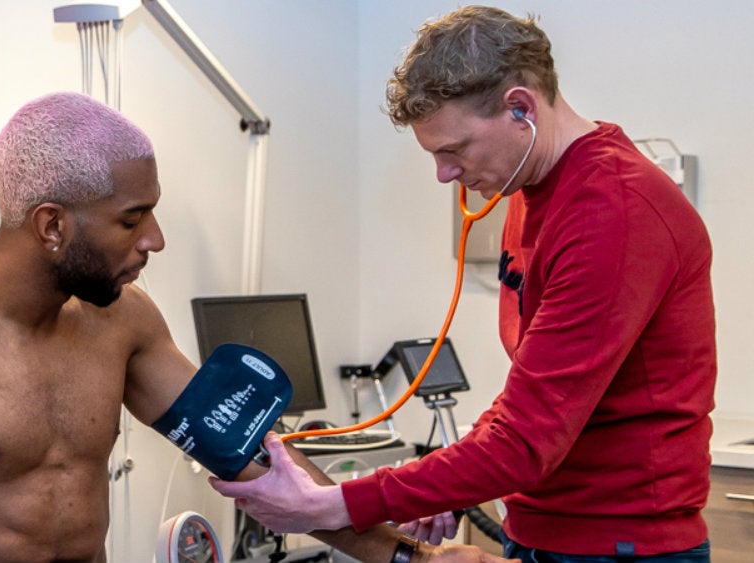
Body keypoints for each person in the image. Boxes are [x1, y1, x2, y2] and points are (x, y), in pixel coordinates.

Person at [0, 92, 514, 563]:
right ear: (52, 225)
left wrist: (411, 555)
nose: (154, 239)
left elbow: (253, 456)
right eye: (131, 217)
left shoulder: (121, 322)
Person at [212, 6, 716, 563]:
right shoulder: (529, 192)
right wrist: (449, 482)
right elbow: (531, 391)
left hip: (615, 545)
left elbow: (529, 439)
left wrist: (334, 506)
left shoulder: (613, 212)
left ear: (520, 108)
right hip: (540, 529)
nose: (444, 174)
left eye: (453, 150)